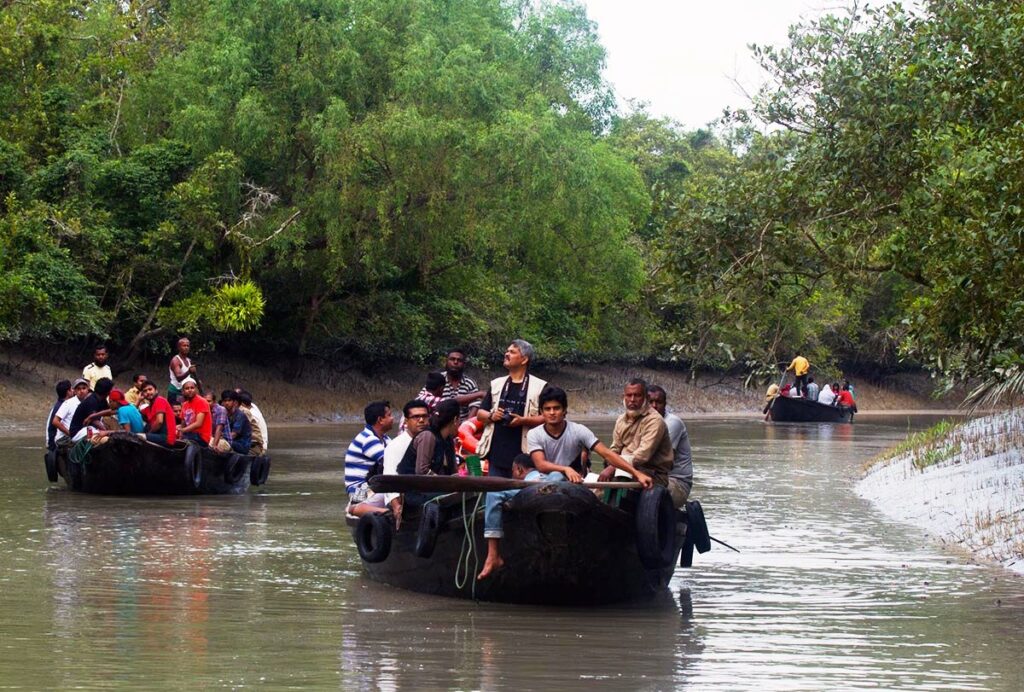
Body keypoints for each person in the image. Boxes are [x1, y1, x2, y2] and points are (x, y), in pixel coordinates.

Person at [527, 385, 652, 487]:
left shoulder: (579, 430)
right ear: (541, 412)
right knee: (540, 477)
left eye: (556, 408)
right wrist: (565, 469)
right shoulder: (534, 433)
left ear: (564, 410)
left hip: (570, 482)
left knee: (557, 476)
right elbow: (541, 465)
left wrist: (636, 473)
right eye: (547, 409)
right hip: (541, 480)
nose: (552, 413)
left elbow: (607, 454)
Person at [476, 340, 547, 478]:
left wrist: (523, 420)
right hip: (497, 454)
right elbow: (480, 414)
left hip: (526, 456)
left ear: (524, 359)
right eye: (507, 351)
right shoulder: (497, 384)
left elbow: (548, 418)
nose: (506, 354)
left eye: (512, 352)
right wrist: (492, 416)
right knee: (495, 495)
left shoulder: (540, 386)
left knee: (523, 496)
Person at [477, 453, 545, 580]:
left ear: (519, 470)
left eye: (513, 471)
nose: (512, 475)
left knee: (493, 494)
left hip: (533, 490)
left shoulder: (530, 482)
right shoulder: (552, 476)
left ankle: (493, 555)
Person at [598, 378, 673, 487]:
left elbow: (642, 455)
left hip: (653, 474)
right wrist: (610, 461)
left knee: (618, 486)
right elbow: (615, 448)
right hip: (623, 470)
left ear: (646, 398)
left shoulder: (655, 420)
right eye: (629, 395)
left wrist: (614, 466)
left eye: (637, 395)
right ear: (623, 397)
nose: (632, 399)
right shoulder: (621, 420)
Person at [379, 399, 432, 527]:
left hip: (424, 495)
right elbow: (390, 478)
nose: (421, 420)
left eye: (424, 416)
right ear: (406, 422)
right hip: (401, 499)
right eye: (416, 417)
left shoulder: (431, 439)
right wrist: (397, 506)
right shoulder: (395, 445)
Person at [344, 400, 394, 516]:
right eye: (389, 415)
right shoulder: (368, 439)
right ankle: (386, 513)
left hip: (370, 485)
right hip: (359, 491)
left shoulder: (385, 439)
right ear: (380, 420)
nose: (393, 418)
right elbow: (390, 463)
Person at [398, 399, 460, 477]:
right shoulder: (427, 436)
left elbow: (452, 471)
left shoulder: (448, 440)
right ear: (455, 420)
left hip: (435, 486)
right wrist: (443, 482)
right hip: (412, 486)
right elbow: (422, 471)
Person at [440, 348, 483, 421]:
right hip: (439, 423)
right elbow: (424, 399)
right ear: (446, 362)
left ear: (464, 364)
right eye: (452, 359)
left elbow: (476, 405)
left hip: (462, 424)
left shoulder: (469, 383)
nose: (455, 362)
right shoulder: (438, 379)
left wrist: (466, 425)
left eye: (459, 360)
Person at [68, 377, 114, 441]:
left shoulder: (102, 400)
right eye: (111, 390)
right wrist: (108, 432)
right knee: (105, 439)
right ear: (107, 391)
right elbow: (95, 421)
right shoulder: (91, 401)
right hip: (79, 431)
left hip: (91, 428)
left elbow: (109, 412)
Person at [139, 380, 177, 445]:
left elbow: (159, 422)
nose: (148, 392)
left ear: (156, 391)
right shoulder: (148, 408)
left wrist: (149, 434)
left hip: (166, 437)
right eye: (145, 391)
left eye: (150, 389)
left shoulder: (160, 400)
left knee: (138, 436)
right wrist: (139, 400)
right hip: (157, 435)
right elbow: (135, 413)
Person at [51, 379, 86, 447]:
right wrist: (70, 433)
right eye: (78, 389)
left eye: (84, 388)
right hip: (64, 438)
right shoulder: (68, 403)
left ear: (87, 390)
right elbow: (55, 421)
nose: (81, 391)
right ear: (74, 391)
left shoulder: (88, 403)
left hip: (79, 435)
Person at [178, 378, 212, 444]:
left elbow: (198, 423)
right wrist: (180, 434)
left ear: (196, 389)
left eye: (192, 388)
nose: (190, 390)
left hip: (201, 436)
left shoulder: (202, 401)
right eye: (187, 388)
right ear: (183, 391)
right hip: (190, 434)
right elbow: (183, 422)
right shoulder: (185, 404)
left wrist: (183, 430)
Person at [220, 390, 252, 454]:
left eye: (229, 401)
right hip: (230, 442)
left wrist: (219, 438)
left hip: (242, 445)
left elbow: (233, 435)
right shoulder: (223, 414)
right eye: (225, 401)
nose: (227, 403)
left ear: (234, 402)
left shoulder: (240, 415)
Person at [168, 337, 197, 405]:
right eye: (184, 345)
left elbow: (189, 376)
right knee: (176, 411)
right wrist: (189, 371)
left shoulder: (188, 360)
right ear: (179, 347)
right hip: (175, 391)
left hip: (185, 391)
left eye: (188, 346)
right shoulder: (176, 360)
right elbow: (178, 377)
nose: (186, 347)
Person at [46, 380, 73, 452]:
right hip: (55, 444)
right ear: (68, 392)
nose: (73, 391)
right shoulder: (63, 406)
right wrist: (72, 434)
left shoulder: (58, 405)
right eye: (71, 389)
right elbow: (54, 424)